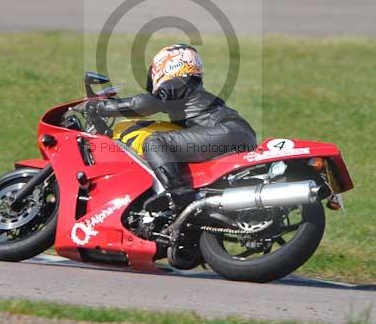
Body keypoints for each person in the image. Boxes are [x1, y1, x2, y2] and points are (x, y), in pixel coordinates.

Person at [92, 44, 257, 210]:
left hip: (228, 131)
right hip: (237, 133)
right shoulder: (190, 87)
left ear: (168, 65)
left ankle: (179, 193)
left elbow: (146, 104)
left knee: (155, 142)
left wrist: (102, 108)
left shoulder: (178, 83)